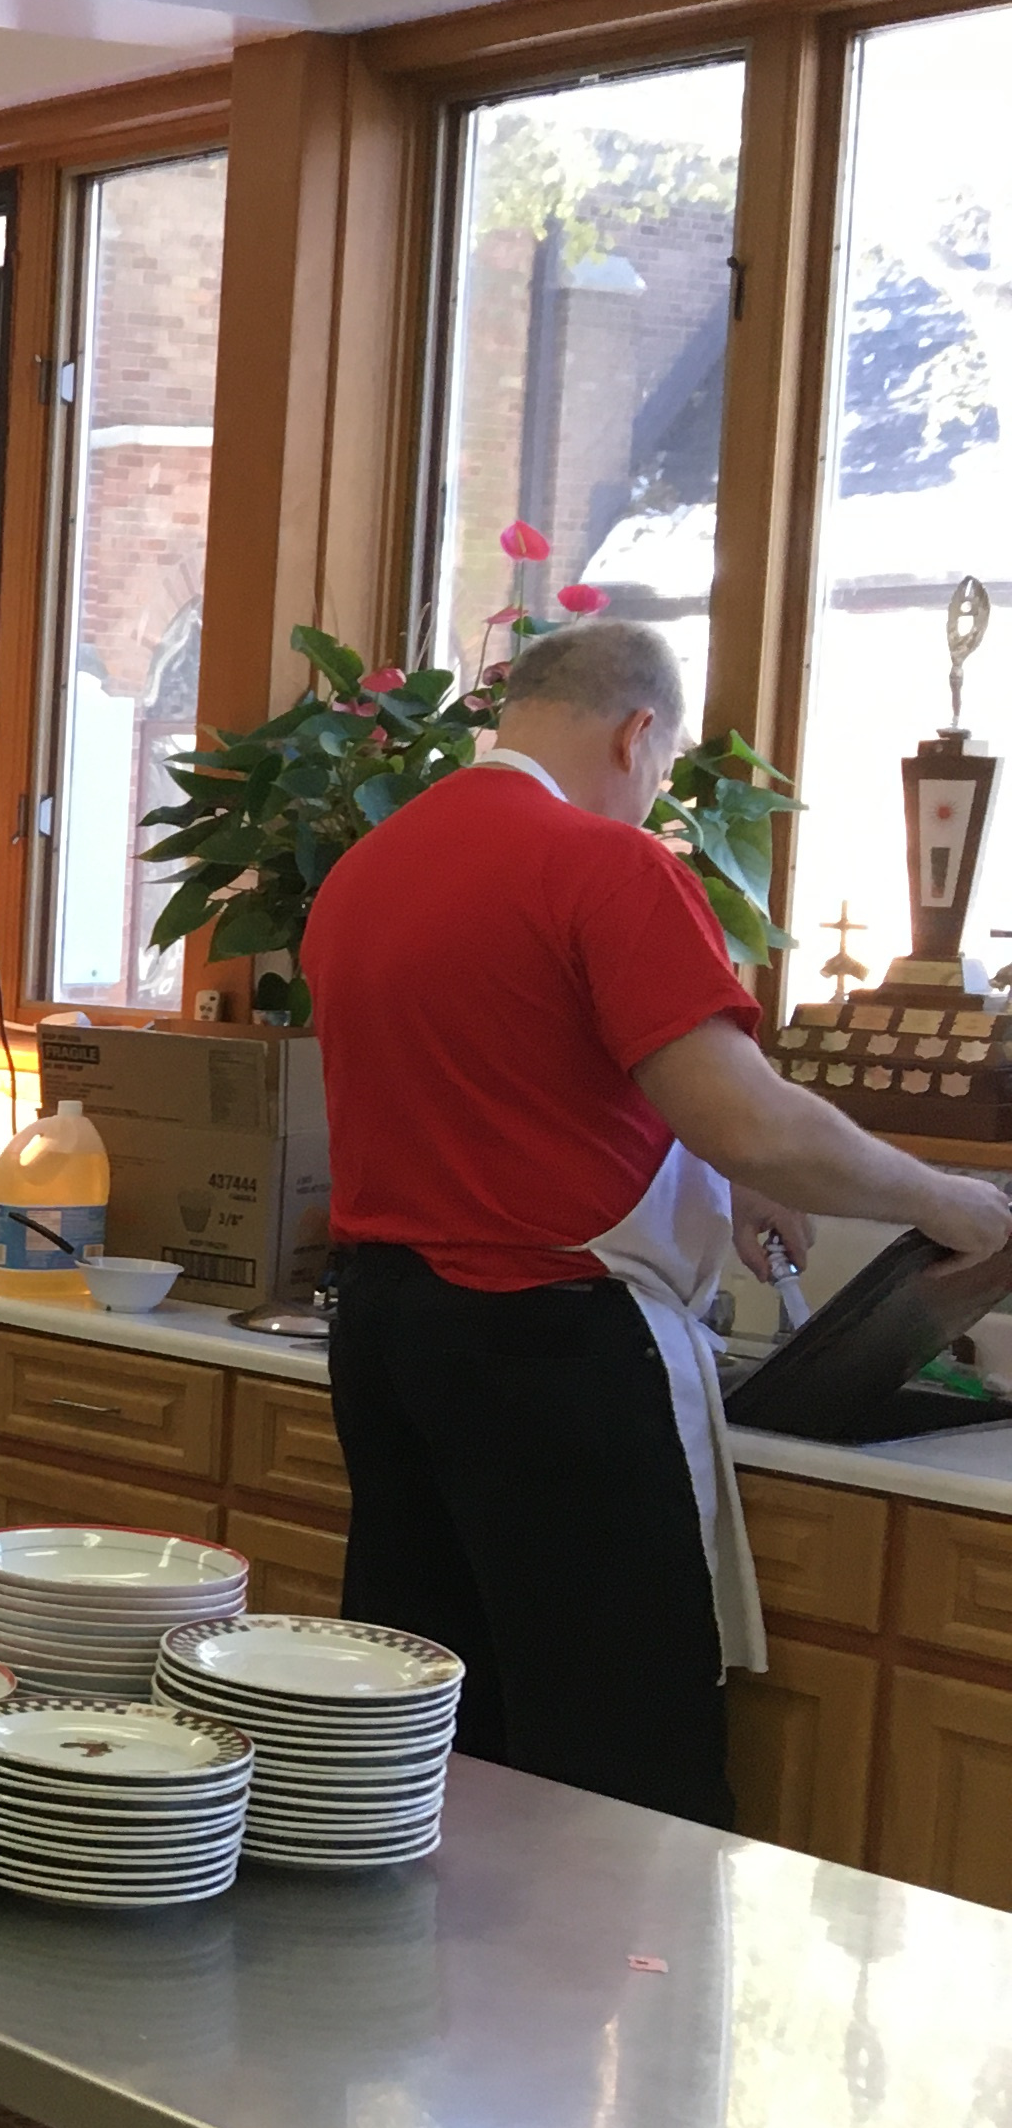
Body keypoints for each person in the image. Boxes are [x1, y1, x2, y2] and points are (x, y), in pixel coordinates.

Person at [304, 619, 1012, 1823]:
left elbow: (511, 1083)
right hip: (552, 1356)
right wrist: (951, 1199)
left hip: (388, 1337)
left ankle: (446, 2009)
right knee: (618, 1762)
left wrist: (714, 1170)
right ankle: (614, 2007)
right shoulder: (607, 865)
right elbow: (757, 1120)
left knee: (436, 1740)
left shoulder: (372, 868)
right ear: (640, 734)